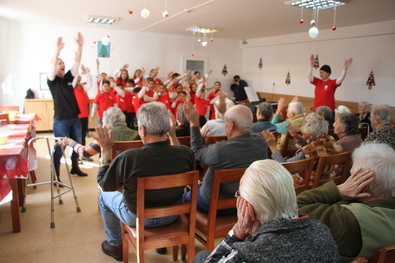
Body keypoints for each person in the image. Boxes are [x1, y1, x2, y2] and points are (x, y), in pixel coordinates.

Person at [94, 102, 195, 261]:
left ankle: (115, 245)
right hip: (173, 215)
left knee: (102, 196)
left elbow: (104, 184)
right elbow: (186, 161)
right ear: (168, 128)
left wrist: (105, 150)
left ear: (142, 129)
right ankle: (161, 244)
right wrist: (173, 135)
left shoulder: (129, 157)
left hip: (137, 217)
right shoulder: (186, 153)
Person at [192, 159, 340, 263]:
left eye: (239, 195)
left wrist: (237, 233)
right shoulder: (323, 231)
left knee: (202, 257)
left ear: (248, 209)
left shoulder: (247, 255)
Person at [297, 143, 395, 262]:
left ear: (362, 185)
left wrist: (340, 190)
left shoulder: (347, 220)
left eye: (351, 176)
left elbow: (297, 206)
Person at [182, 101, 268, 215]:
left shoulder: (220, 150)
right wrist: (224, 113)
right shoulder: (261, 142)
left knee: (184, 196)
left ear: (231, 125)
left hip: (213, 204)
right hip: (246, 202)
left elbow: (197, 152)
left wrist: (194, 123)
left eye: (225, 122)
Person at [262, 113, 343, 187]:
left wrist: (272, 146)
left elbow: (283, 168)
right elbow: (313, 147)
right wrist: (297, 137)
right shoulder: (331, 141)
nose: (300, 128)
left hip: (307, 186)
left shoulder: (305, 152)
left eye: (302, 125)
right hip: (328, 184)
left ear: (310, 132)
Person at [47, 32, 87, 178]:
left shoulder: (68, 79)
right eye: (60, 63)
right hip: (61, 120)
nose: (63, 64)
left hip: (74, 118)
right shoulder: (52, 81)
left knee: (76, 143)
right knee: (59, 148)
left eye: (63, 62)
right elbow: (51, 68)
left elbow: (76, 63)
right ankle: (56, 175)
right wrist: (57, 51)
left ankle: (75, 168)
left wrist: (80, 46)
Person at [60, 107, 139, 158]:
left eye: (103, 122)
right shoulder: (136, 134)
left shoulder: (107, 136)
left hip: (113, 175)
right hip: (134, 175)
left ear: (109, 122)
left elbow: (84, 153)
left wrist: (71, 142)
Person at [72, 64, 92, 160]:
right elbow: (74, 80)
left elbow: (90, 83)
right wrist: (77, 72)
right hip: (77, 117)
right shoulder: (72, 89)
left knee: (83, 136)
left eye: (80, 78)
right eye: (78, 78)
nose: (79, 80)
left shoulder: (83, 88)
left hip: (84, 116)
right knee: (78, 137)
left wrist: (87, 73)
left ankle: (82, 154)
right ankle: (77, 156)